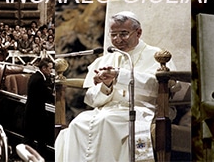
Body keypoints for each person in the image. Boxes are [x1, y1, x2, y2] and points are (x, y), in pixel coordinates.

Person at [55, 11, 162, 162]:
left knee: (107, 120)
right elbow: (91, 100)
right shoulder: (105, 60)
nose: (117, 40)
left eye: (124, 34)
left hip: (139, 110)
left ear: (138, 32)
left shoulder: (156, 55)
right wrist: (106, 86)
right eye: (113, 35)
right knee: (78, 123)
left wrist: (120, 75)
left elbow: (159, 86)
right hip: (106, 110)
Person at [24, 58, 54, 153]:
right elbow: (47, 95)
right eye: (50, 68)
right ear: (44, 68)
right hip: (36, 113)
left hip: (32, 111)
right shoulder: (39, 80)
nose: (51, 71)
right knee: (37, 137)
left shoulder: (36, 76)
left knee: (31, 137)